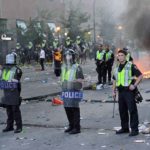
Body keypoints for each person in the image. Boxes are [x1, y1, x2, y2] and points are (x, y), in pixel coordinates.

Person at [112, 50, 143, 136]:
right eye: (119, 55)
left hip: (129, 91)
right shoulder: (116, 68)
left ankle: (134, 129)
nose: (120, 57)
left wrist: (134, 85)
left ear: (125, 56)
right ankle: (124, 128)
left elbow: (140, 76)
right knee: (122, 110)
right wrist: (113, 91)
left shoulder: (131, 66)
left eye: (122, 55)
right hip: (120, 92)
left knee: (132, 110)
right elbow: (114, 80)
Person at [61, 49, 84, 134]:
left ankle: (77, 128)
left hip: (74, 90)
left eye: (70, 55)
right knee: (67, 108)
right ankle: (71, 125)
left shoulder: (77, 67)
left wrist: (75, 81)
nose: (68, 57)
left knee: (74, 109)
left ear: (73, 57)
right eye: (66, 55)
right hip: (65, 90)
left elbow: (80, 80)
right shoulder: (63, 67)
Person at [0, 53, 23, 133]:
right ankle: (10, 126)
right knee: (9, 110)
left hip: (12, 91)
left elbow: (17, 80)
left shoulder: (14, 69)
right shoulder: (10, 69)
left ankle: (18, 126)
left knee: (14, 109)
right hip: (8, 91)